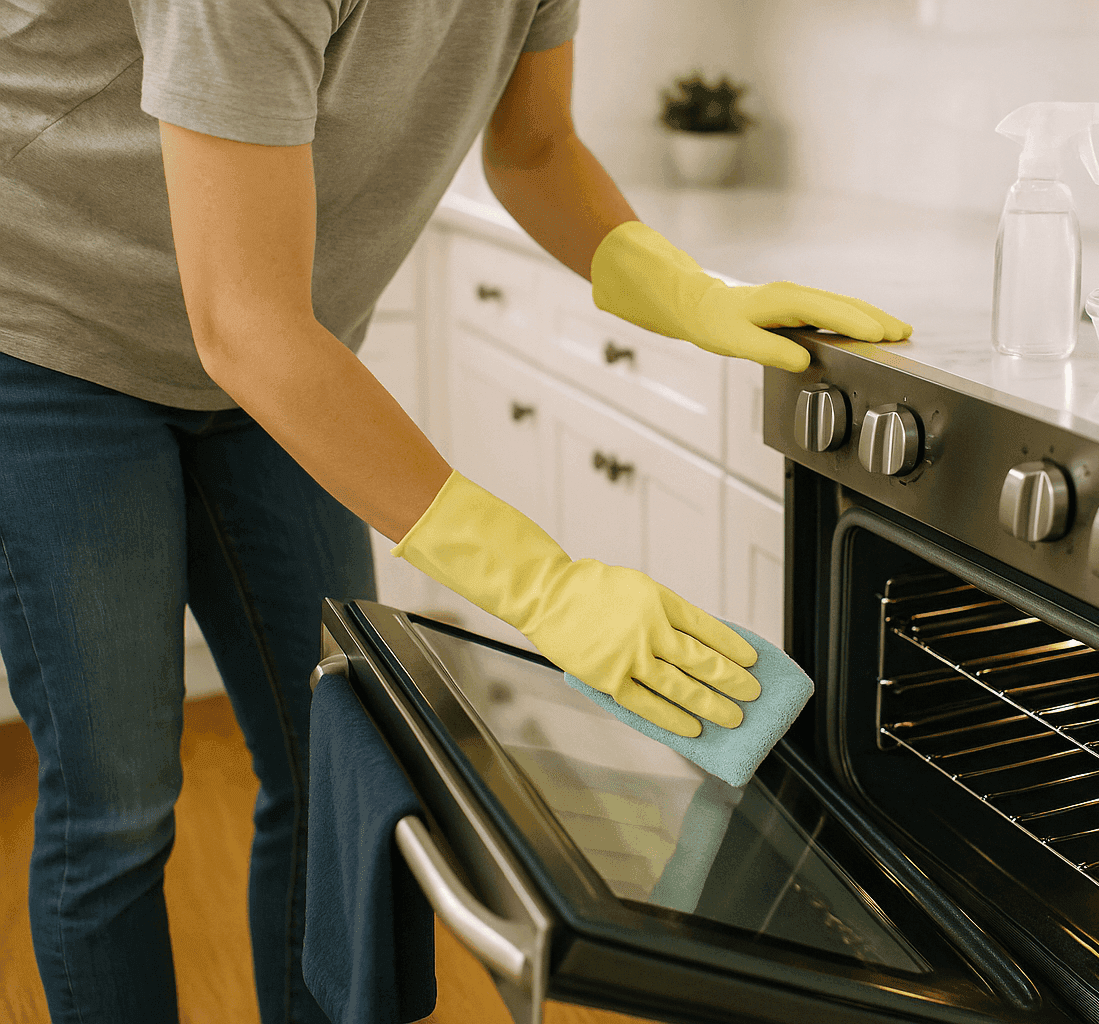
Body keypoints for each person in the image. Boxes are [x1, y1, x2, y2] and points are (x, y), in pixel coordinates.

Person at [0, 0, 911, 1021]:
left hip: (279, 351)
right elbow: (244, 323)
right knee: (116, 806)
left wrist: (689, 291)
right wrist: (544, 584)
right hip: (52, 338)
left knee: (330, 763)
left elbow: (536, 151)